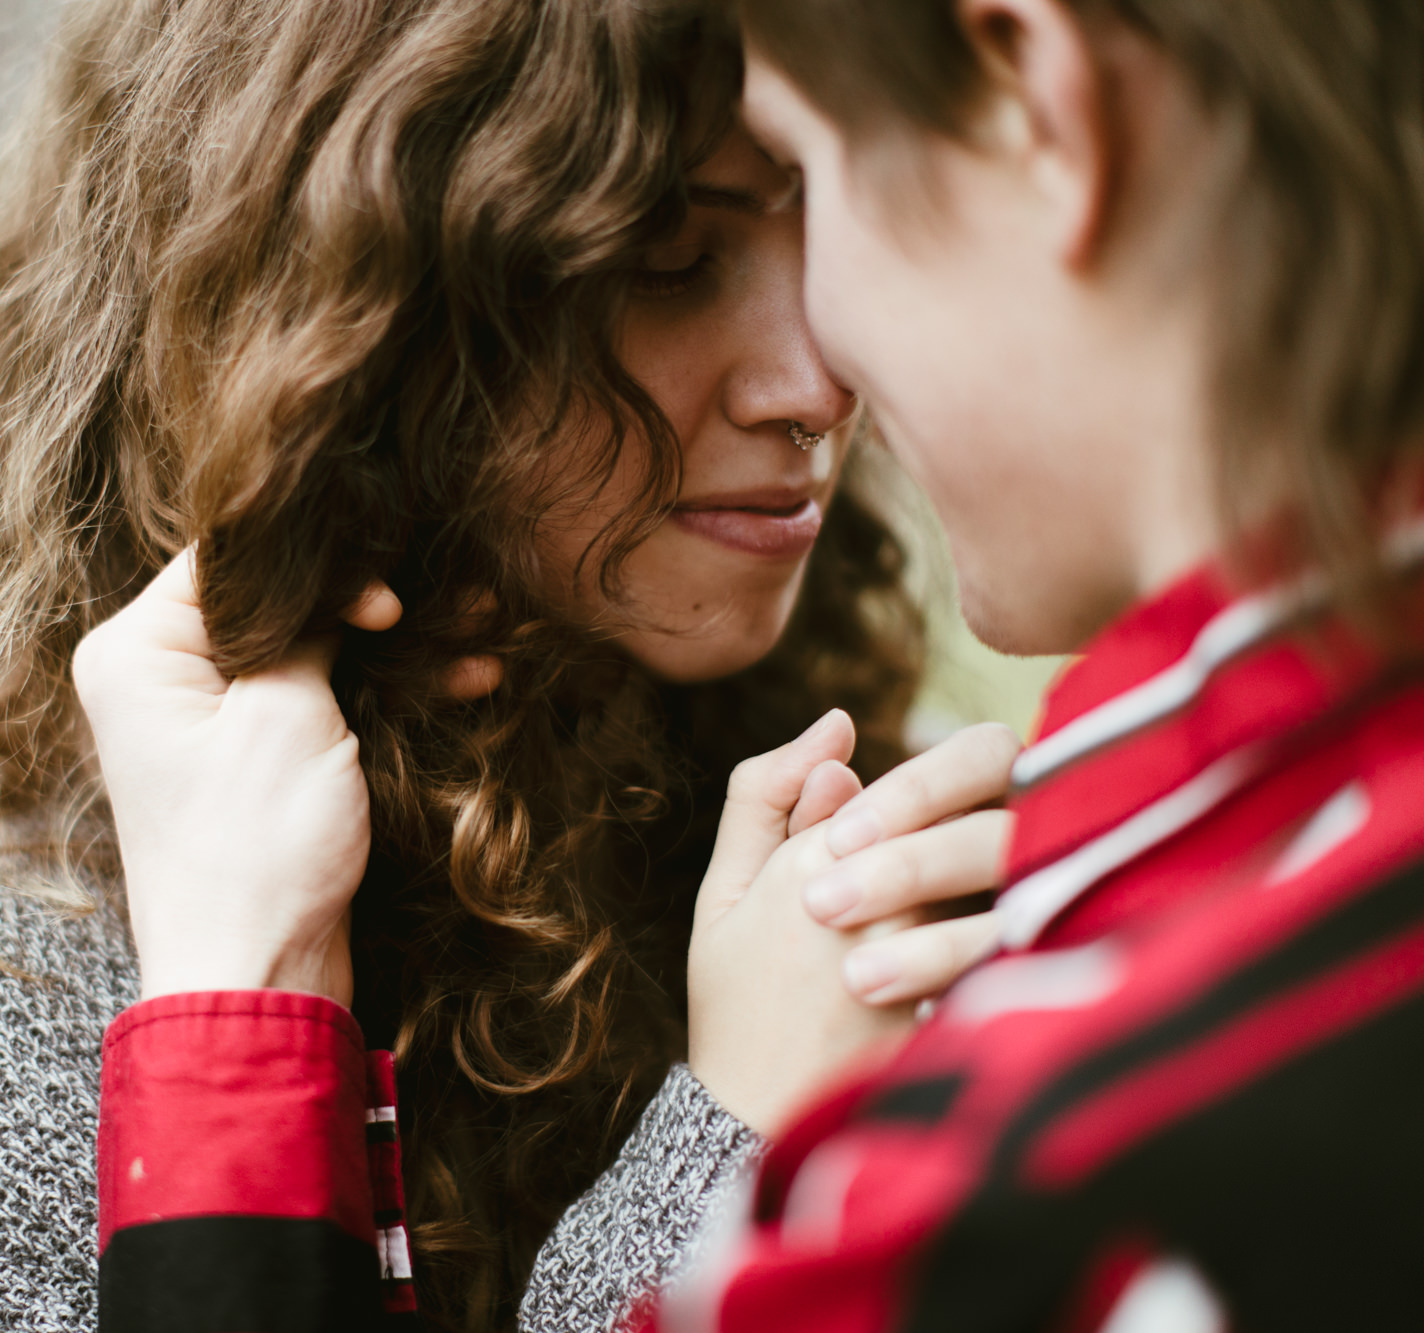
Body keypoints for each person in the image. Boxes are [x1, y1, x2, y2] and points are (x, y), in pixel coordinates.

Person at [86, 0, 1424, 1329]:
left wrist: (231, 1043)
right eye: (668, 251)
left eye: (821, 180)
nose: (819, 379)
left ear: (1036, 96)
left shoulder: (1030, 1175)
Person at [0, 1, 1013, 1330]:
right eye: (669, 252)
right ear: (366, 319)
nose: (818, 380)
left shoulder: (861, 842)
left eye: (835, 222)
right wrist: (731, 1165)